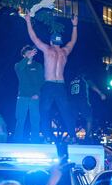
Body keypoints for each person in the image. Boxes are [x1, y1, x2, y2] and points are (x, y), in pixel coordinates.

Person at [25, 13, 78, 141]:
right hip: (60, 84)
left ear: (51, 41)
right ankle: (73, 135)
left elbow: (34, 38)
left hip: (49, 85)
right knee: (66, 111)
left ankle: (48, 136)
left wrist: (28, 21)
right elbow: (73, 41)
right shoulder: (65, 51)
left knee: (44, 111)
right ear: (60, 42)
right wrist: (75, 25)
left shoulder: (48, 50)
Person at [14, 45, 44, 142]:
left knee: (35, 120)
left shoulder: (38, 66)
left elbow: (42, 81)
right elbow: (19, 68)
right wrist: (27, 58)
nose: (30, 54)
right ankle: (17, 140)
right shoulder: (19, 65)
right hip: (22, 96)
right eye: (28, 53)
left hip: (34, 97)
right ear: (24, 55)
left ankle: (35, 140)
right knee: (20, 119)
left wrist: (38, 94)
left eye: (31, 52)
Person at [69, 72, 106, 138]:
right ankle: (87, 137)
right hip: (83, 101)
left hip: (72, 102)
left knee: (72, 119)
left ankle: (72, 136)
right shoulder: (84, 78)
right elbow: (92, 85)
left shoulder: (72, 81)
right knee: (89, 118)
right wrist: (100, 93)